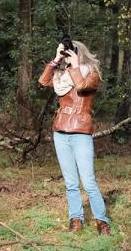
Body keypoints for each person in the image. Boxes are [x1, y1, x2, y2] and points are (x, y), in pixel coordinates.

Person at [38, 40, 110, 235]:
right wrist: (56, 58)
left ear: (79, 53)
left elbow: (82, 87)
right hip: (60, 131)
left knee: (88, 181)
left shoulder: (91, 73)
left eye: (70, 52)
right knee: (70, 183)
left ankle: (102, 222)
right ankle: (75, 220)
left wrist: (76, 66)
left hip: (81, 132)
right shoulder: (61, 75)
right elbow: (43, 81)